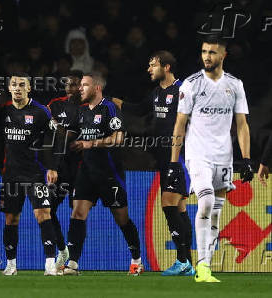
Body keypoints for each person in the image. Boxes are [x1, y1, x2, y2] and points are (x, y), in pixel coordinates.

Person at [168, 35, 253, 282]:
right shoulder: (191, 85)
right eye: (204, 51)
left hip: (223, 157)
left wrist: (246, 158)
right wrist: (175, 162)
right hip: (198, 156)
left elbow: (242, 124)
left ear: (223, 55)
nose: (207, 56)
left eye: (212, 52)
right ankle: (201, 267)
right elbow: (180, 124)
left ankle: (206, 266)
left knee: (215, 213)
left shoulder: (235, 85)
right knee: (205, 203)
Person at [113, 51, 194, 276]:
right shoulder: (157, 92)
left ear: (166, 67)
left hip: (177, 157)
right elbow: (139, 110)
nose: (149, 69)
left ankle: (183, 260)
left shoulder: (183, 90)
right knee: (178, 207)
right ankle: (187, 263)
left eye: (153, 65)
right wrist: (114, 102)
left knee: (168, 205)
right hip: (163, 159)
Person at [62, 72, 143, 276]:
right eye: (80, 85)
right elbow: (68, 136)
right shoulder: (80, 111)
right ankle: (72, 262)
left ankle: (137, 260)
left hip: (109, 174)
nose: (80, 88)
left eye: (85, 85)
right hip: (86, 172)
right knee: (77, 212)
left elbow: (118, 138)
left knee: (122, 219)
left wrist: (91, 143)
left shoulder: (109, 108)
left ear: (97, 87)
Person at [0, 73, 61, 276]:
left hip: (35, 174)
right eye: (14, 84)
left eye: (21, 85)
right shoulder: (3, 111)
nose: (17, 88)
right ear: (9, 88)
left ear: (29, 88)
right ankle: (11, 265)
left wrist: (52, 167)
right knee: (11, 219)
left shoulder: (41, 112)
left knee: (43, 214)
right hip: (11, 175)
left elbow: (54, 140)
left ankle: (50, 263)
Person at [46, 70, 83, 270]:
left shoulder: (86, 106)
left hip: (80, 168)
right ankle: (62, 250)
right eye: (68, 84)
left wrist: (59, 130)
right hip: (59, 167)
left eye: (75, 84)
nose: (71, 88)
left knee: (77, 212)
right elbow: (48, 128)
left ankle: (73, 261)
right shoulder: (55, 104)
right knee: (48, 209)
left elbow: (65, 135)